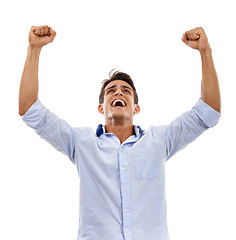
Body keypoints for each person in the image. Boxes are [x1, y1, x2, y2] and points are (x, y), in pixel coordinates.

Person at [19, 25, 221, 240]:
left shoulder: (159, 141)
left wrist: (205, 52)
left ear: (135, 108)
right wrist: (34, 49)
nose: (118, 92)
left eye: (126, 91)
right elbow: (30, 110)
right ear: (101, 108)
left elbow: (208, 112)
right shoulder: (81, 143)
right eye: (111, 91)